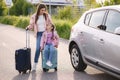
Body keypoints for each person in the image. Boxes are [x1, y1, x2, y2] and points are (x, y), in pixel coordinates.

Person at [27, 3, 52, 71]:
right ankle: (34, 65)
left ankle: (45, 66)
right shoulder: (34, 16)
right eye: (42, 10)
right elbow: (31, 24)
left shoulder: (47, 16)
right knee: (38, 49)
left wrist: (52, 31)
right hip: (39, 34)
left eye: (44, 10)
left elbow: (50, 24)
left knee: (44, 50)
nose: (43, 11)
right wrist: (28, 27)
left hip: (45, 34)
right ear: (39, 10)